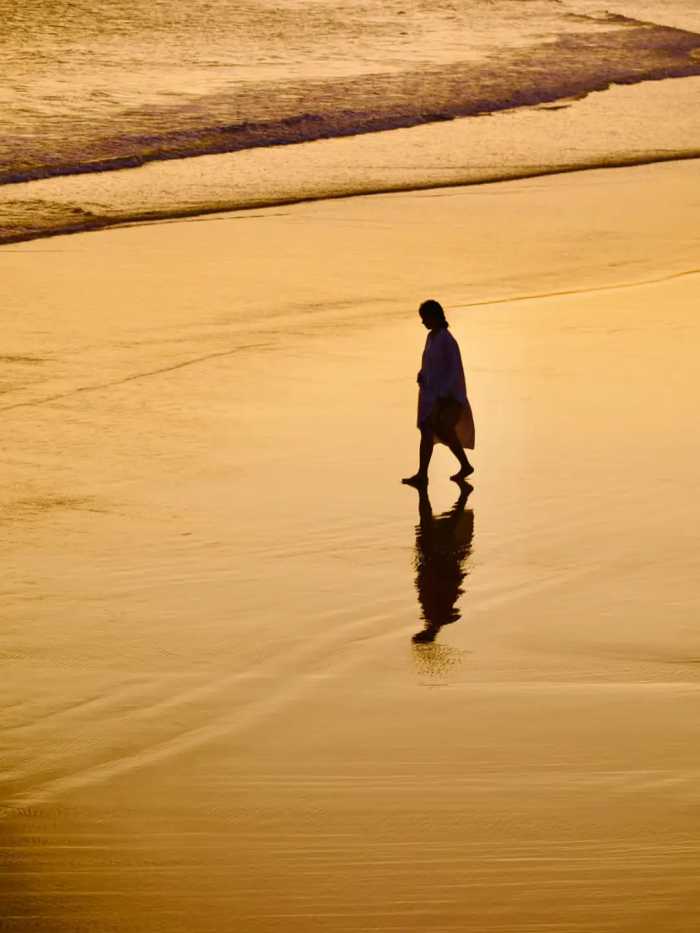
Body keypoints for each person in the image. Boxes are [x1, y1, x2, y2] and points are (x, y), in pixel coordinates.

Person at [402, 299, 475, 488]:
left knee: (441, 429)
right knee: (427, 430)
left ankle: (463, 466)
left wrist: (444, 395)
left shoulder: (447, 339)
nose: (423, 322)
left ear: (434, 316)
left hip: (447, 397)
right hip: (430, 395)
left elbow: (454, 370)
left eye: (424, 318)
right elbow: (432, 364)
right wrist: (422, 374)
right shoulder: (432, 337)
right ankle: (423, 475)